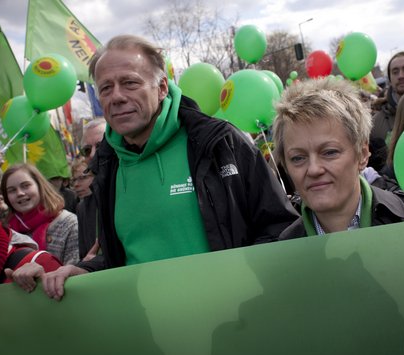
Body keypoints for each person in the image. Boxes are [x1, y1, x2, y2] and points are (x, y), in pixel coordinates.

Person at [42, 34, 297, 300]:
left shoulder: (219, 143)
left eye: (130, 83)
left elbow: (280, 228)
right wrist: (83, 271)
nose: (116, 96)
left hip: (235, 324)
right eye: (106, 88)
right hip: (152, 334)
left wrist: (245, 292)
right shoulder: (106, 167)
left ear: (162, 87)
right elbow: (123, 260)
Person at [272, 77, 404, 239]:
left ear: (362, 154)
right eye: (298, 158)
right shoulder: (285, 249)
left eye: (330, 152)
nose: (314, 169)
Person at [1, 164, 80, 265]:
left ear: (40, 186)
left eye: (26, 186)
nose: (20, 193)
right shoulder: (6, 232)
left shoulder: (69, 223)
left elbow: (75, 271)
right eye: (12, 190)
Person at [70, 158, 99, 261]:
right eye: (74, 180)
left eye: (83, 177)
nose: (76, 184)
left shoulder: (110, 202)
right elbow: (83, 249)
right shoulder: (81, 208)